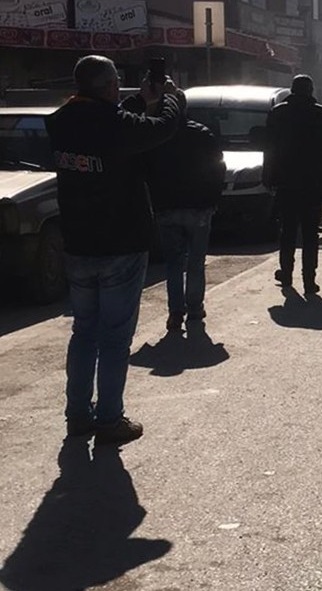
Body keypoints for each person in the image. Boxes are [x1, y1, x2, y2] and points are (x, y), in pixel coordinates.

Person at [45, 55, 182, 444]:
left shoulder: (62, 122)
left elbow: (112, 121)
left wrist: (140, 101)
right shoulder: (114, 125)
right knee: (115, 337)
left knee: (84, 332)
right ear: (108, 86)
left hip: (78, 244)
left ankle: (77, 415)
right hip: (120, 243)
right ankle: (109, 419)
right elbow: (162, 128)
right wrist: (171, 100)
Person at [144, 95, 225, 333]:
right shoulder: (202, 133)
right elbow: (218, 168)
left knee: (173, 263)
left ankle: (175, 312)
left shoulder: (157, 137)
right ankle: (195, 308)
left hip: (167, 207)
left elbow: (147, 171)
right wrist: (213, 199)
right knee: (196, 262)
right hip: (199, 208)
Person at [263, 74, 322, 295]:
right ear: (311, 90)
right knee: (310, 233)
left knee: (287, 230)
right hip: (314, 181)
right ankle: (309, 280)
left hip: (286, 180)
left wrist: (267, 176)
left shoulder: (278, 113)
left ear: (292, 90)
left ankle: (286, 274)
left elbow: (269, 148)